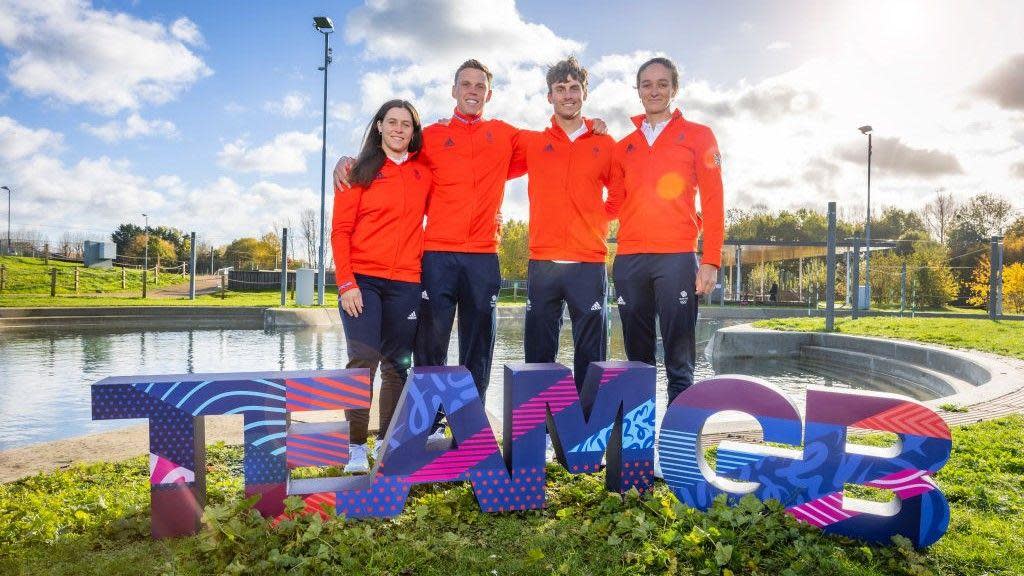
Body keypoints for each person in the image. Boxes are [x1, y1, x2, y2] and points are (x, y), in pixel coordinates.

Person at [336, 59, 608, 444]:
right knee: (430, 344)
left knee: (478, 344)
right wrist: (346, 161)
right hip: (436, 257)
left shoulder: (506, 135)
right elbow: (390, 154)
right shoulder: (428, 136)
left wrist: (592, 127)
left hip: (483, 256)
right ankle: (423, 425)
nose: (473, 91)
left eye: (480, 86)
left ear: (489, 94)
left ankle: (469, 426)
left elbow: (558, 139)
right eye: (466, 84)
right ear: (454, 90)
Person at [605, 56, 724, 427]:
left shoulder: (700, 135)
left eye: (661, 83)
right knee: (638, 362)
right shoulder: (622, 146)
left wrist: (712, 258)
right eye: (646, 84)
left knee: (679, 359)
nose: (654, 90)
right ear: (638, 91)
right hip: (630, 261)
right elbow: (614, 204)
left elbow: (715, 198)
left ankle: (679, 445)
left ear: (674, 88)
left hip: (676, 258)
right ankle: (638, 449)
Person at [331, 99, 431, 472]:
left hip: (406, 282)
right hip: (362, 282)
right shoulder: (357, 171)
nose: (399, 129)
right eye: (392, 122)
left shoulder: (424, 173)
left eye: (406, 124)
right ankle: (355, 446)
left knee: (397, 367)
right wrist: (346, 284)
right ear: (379, 126)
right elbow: (340, 232)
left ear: (413, 131)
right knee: (362, 361)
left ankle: (387, 444)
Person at [509, 56, 613, 395]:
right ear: (549, 96)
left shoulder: (604, 144)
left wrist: (595, 219)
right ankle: (533, 438)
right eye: (560, 88)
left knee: (591, 357)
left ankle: (584, 438)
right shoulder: (533, 142)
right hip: (544, 264)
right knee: (538, 357)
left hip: (588, 264)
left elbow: (623, 194)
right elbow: (485, 159)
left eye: (574, 88)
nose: (567, 95)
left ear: (585, 93)